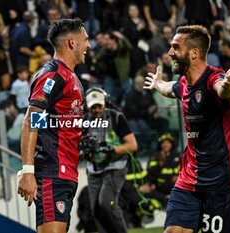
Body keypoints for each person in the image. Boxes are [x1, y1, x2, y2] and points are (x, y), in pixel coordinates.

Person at [144, 25, 230, 233]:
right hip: (189, 179)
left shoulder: (214, 78)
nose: (170, 53)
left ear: (194, 53)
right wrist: (158, 84)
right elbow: (171, 89)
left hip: (220, 181)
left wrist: (228, 86)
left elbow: (222, 89)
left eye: (176, 47)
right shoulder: (184, 83)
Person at [17, 18, 91, 233]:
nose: (89, 45)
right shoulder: (53, 75)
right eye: (85, 40)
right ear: (71, 42)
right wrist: (28, 171)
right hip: (52, 172)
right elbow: (32, 120)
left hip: (66, 172)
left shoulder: (71, 77)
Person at [79, 87, 137, 233]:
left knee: (106, 202)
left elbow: (132, 145)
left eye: (99, 106)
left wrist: (111, 150)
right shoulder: (84, 120)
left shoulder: (117, 117)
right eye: (93, 107)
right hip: (93, 168)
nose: (97, 110)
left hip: (115, 166)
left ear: (105, 103)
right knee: (95, 209)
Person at [139, 133, 180, 207]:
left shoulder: (177, 157)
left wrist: (178, 177)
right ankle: (166, 200)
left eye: (168, 142)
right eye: (163, 143)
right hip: (158, 188)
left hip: (175, 188)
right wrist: (160, 164)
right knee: (144, 192)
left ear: (172, 144)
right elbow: (150, 175)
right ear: (160, 145)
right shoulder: (154, 157)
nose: (166, 145)